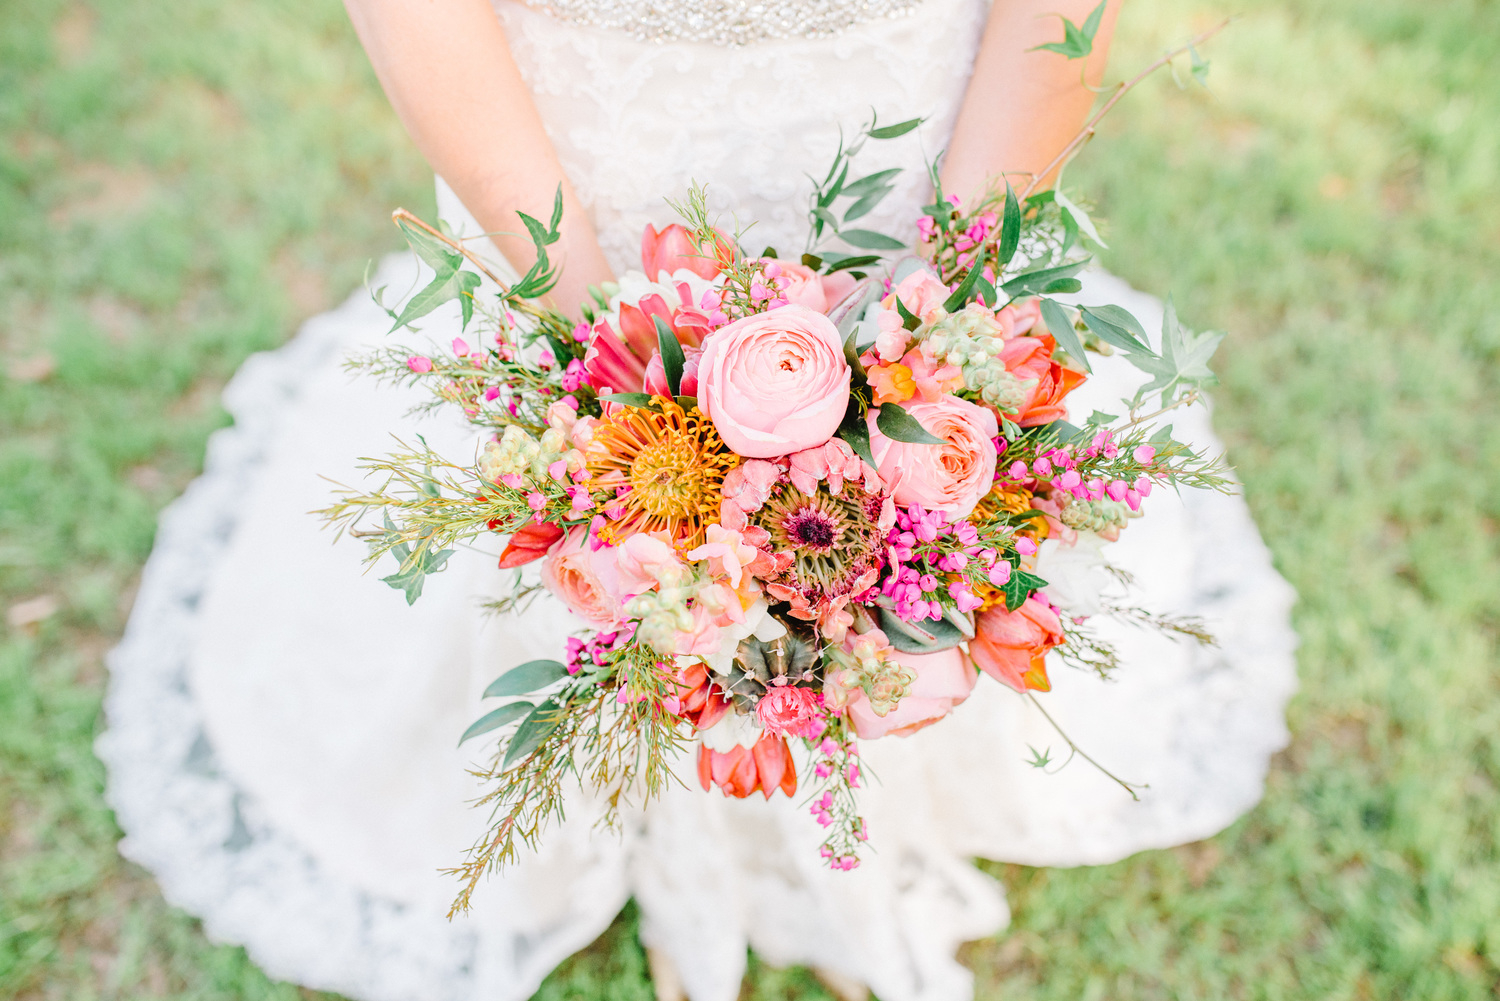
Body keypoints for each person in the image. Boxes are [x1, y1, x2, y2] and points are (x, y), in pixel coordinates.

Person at [98, 2, 1299, 1000]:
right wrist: (596, 365)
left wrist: (936, 337)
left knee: (918, 564)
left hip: (923, 175)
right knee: (580, 563)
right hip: (573, 200)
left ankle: (880, 774)